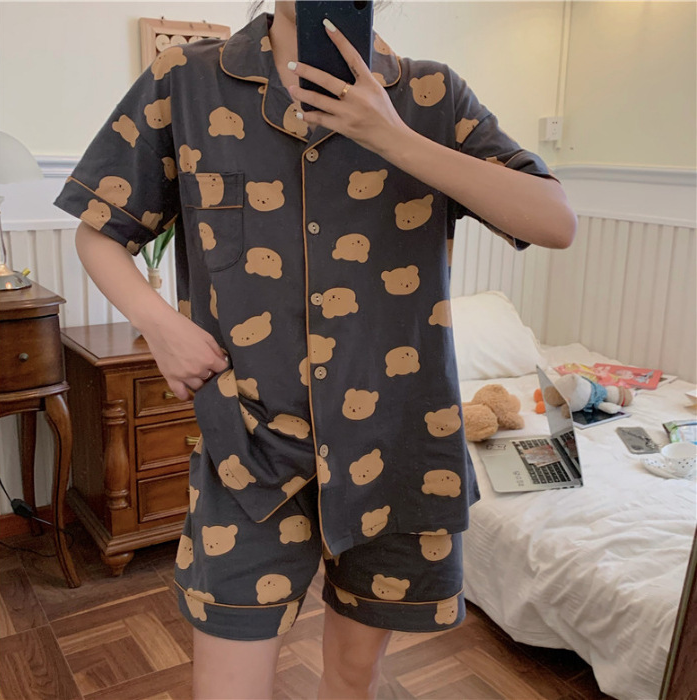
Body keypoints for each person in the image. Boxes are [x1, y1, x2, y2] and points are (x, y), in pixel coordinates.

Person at [54, 2, 576, 698]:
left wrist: (391, 137)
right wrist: (160, 326)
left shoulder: (433, 94)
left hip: (397, 446)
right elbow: (100, 230)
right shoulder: (185, 79)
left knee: (353, 678)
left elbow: (555, 221)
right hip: (249, 449)